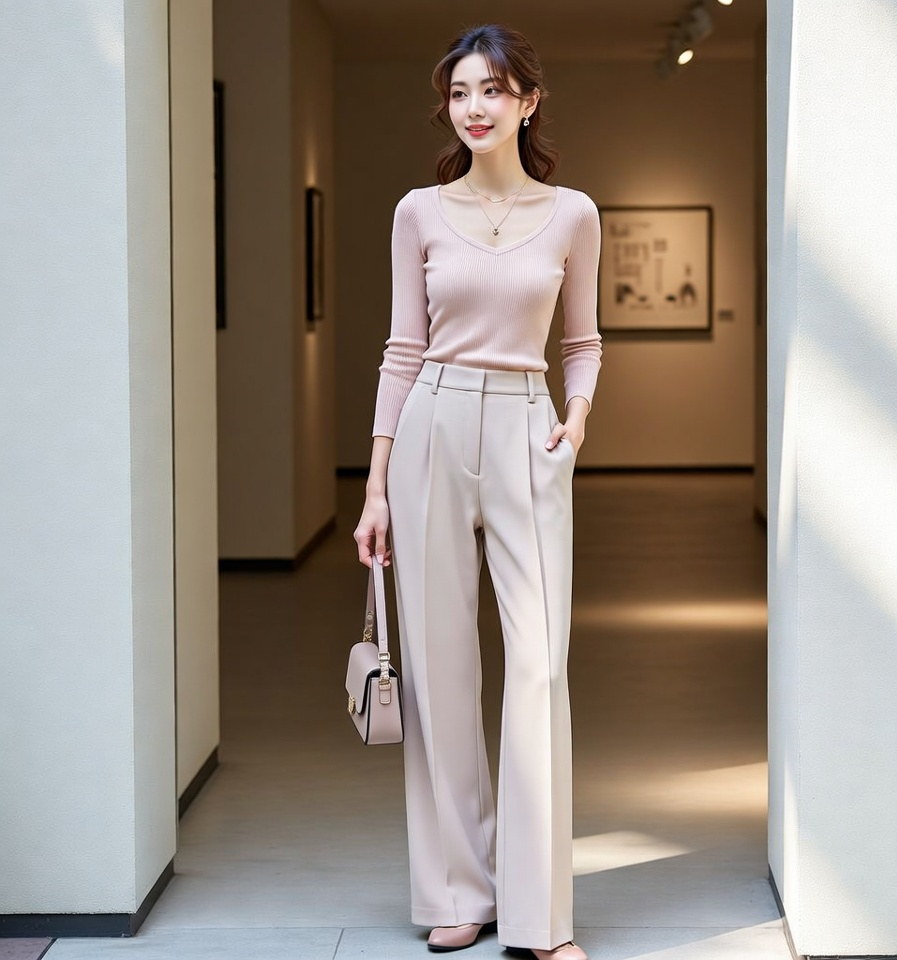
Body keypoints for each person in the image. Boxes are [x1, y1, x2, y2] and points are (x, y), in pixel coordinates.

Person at [353, 23, 601, 960]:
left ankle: (541, 917)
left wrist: (575, 418)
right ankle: (462, 888)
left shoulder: (573, 212)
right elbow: (401, 351)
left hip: (527, 427)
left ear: (529, 101)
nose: (476, 108)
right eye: (461, 92)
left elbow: (581, 340)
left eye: (494, 90)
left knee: (537, 669)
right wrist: (376, 487)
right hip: (430, 425)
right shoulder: (418, 210)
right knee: (441, 670)